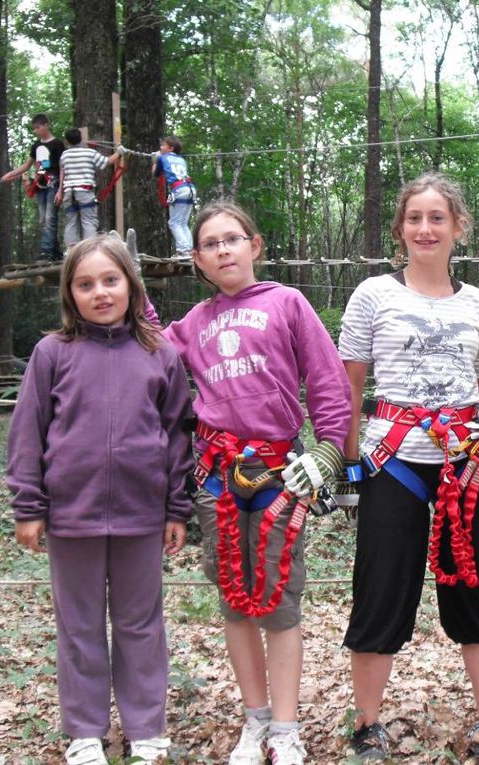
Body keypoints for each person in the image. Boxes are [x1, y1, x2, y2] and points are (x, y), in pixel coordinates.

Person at [149, 200, 351, 765]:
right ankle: (255, 717)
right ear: (199, 260)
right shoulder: (193, 323)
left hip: (281, 474)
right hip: (217, 478)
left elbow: (329, 383)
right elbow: (146, 344)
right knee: (236, 602)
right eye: (211, 244)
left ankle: (286, 726)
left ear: (254, 245)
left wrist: (330, 451)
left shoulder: (287, 303)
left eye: (232, 239)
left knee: (280, 602)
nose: (223, 250)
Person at [339, 173, 479, 763]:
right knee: (382, 586)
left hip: (464, 462)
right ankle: (366, 724)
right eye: (415, 218)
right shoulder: (373, 296)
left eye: (438, 217)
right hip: (395, 461)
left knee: (477, 581)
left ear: (457, 227)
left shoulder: (477, 304)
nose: (425, 228)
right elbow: (350, 385)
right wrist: (343, 462)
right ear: (400, 228)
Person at [5, 234, 194, 765]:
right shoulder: (51, 354)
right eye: (86, 284)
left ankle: (146, 727)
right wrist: (29, 506)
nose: (100, 293)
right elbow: (27, 433)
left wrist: (176, 506)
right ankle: (85, 730)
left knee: (140, 623)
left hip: (142, 514)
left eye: (110, 281)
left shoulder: (160, 354)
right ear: (71, 295)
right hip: (72, 515)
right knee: (80, 624)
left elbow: (179, 433)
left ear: (131, 288)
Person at [0, 113, 64, 261]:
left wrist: (61, 189)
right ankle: (55, 252)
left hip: (53, 184)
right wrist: (10, 174)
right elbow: (27, 165)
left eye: (38, 127)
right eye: (34, 128)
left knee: (50, 218)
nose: (35, 131)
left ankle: (46, 251)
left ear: (46, 125)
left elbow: (62, 167)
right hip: (40, 184)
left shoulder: (57, 144)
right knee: (43, 219)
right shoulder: (36, 146)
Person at [56, 128, 122, 247]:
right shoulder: (89, 153)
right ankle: (89, 249)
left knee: (71, 222)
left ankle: (72, 251)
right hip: (84, 191)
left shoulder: (64, 155)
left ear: (67, 141)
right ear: (81, 138)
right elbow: (106, 162)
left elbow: (63, 172)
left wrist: (60, 191)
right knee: (88, 222)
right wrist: (119, 153)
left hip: (69, 192)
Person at [152, 135, 197, 261]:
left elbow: (155, 173)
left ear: (170, 148)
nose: (161, 147)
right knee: (182, 222)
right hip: (190, 188)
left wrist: (155, 160)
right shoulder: (182, 159)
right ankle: (189, 249)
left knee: (174, 222)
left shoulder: (163, 157)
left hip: (179, 190)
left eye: (163, 145)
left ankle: (183, 251)